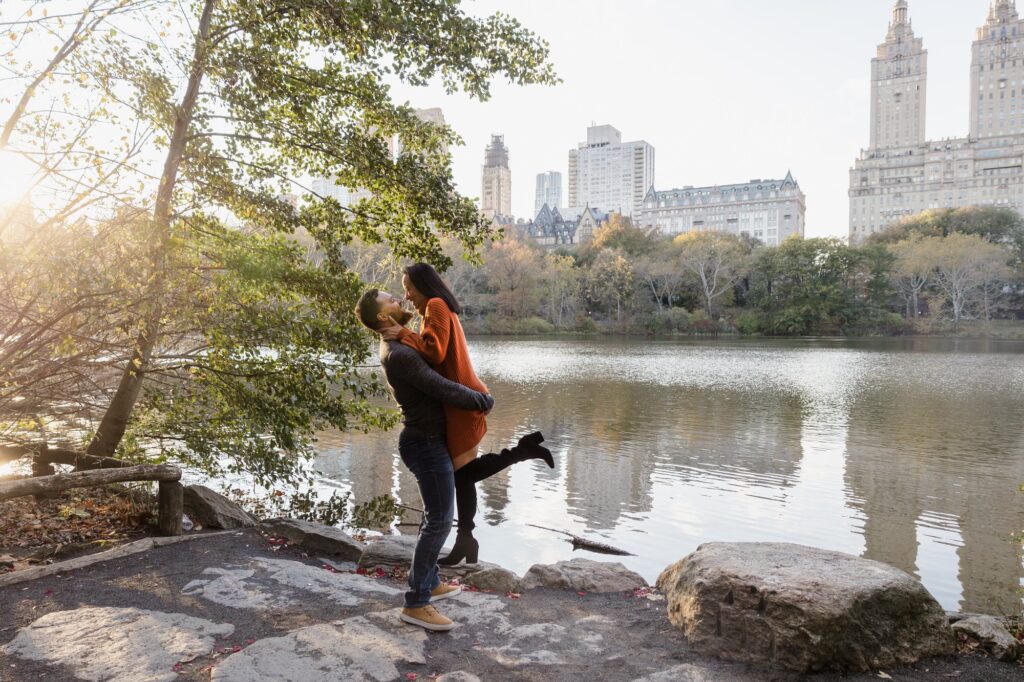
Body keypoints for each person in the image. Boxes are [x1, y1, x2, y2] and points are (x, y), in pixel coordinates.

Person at [379, 263, 553, 565]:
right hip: (459, 400)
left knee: (462, 475)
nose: (406, 295)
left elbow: (435, 352)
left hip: (462, 400)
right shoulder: (432, 310)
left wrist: (403, 333)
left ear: (424, 285)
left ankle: (522, 451)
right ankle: (466, 542)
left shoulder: (435, 305)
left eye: (409, 287)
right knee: (463, 477)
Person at [355, 288, 493, 632]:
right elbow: (439, 386)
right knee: (441, 521)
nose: (400, 301)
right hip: (425, 445)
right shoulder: (398, 353)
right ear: (383, 316)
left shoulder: (402, 343)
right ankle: (416, 602)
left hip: (427, 443)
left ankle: (429, 581)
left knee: (434, 517)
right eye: (392, 300)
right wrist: (480, 400)